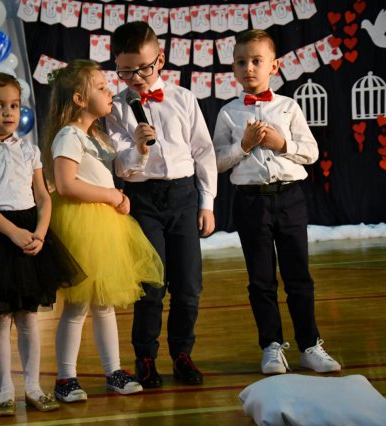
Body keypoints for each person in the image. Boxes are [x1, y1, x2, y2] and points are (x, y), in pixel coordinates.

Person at [212, 29, 341, 375]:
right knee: (260, 279)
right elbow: (216, 162)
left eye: (256, 61)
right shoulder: (227, 113)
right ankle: (271, 346)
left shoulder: (289, 106)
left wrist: (283, 144)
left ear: (274, 66)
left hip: (290, 198)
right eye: (241, 62)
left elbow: (311, 152)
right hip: (250, 201)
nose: (249, 68)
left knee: (298, 274)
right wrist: (243, 145)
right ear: (234, 68)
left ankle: (310, 345)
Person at [43, 59, 164, 403]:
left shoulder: (93, 135)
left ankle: (114, 371)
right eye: (100, 87)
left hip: (103, 224)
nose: (109, 91)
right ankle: (65, 377)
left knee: (104, 305)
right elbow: (66, 184)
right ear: (80, 99)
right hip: (82, 226)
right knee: (78, 306)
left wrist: (136, 157)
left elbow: (105, 174)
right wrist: (111, 195)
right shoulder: (68, 135)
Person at [0, 71, 82, 417]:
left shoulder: (30, 151)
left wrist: (41, 233)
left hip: (31, 232)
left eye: (13, 105)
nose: (7, 112)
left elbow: (43, 197)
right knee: (0, 318)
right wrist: (12, 233)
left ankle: (33, 386)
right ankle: (4, 390)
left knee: (29, 317)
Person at [106, 21, 217, 387]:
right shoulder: (116, 109)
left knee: (188, 285)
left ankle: (183, 353)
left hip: (184, 196)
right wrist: (137, 147)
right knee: (151, 284)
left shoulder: (183, 99)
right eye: (125, 71)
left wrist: (207, 203)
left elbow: (202, 151)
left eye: (144, 68)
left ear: (161, 60)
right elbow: (121, 166)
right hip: (143, 199)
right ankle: (146, 357)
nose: (136, 77)